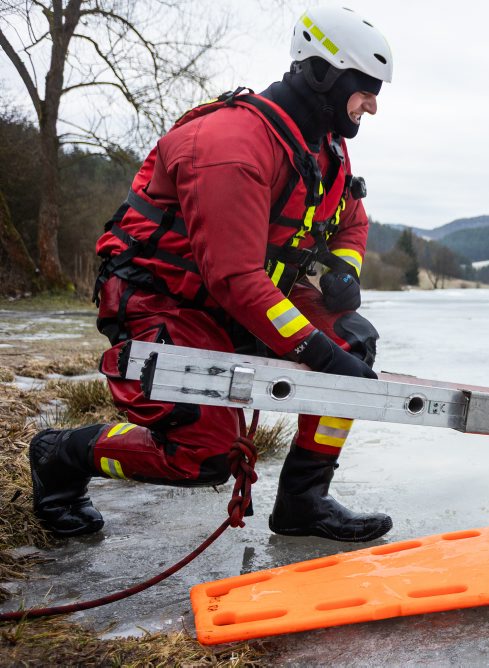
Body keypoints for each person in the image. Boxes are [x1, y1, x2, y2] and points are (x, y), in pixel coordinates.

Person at [28, 5, 394, 543]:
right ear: (322, 75)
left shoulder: (325, 149)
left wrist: (344, 266)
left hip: (235, 303)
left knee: (353, 339)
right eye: (365, 87)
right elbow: (235, 278)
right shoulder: (231, 146)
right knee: (204, 456)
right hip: (162, 301)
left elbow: (350, 218)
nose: (374, 105)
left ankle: (303, 501)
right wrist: (315, 352)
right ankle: (61, 455)